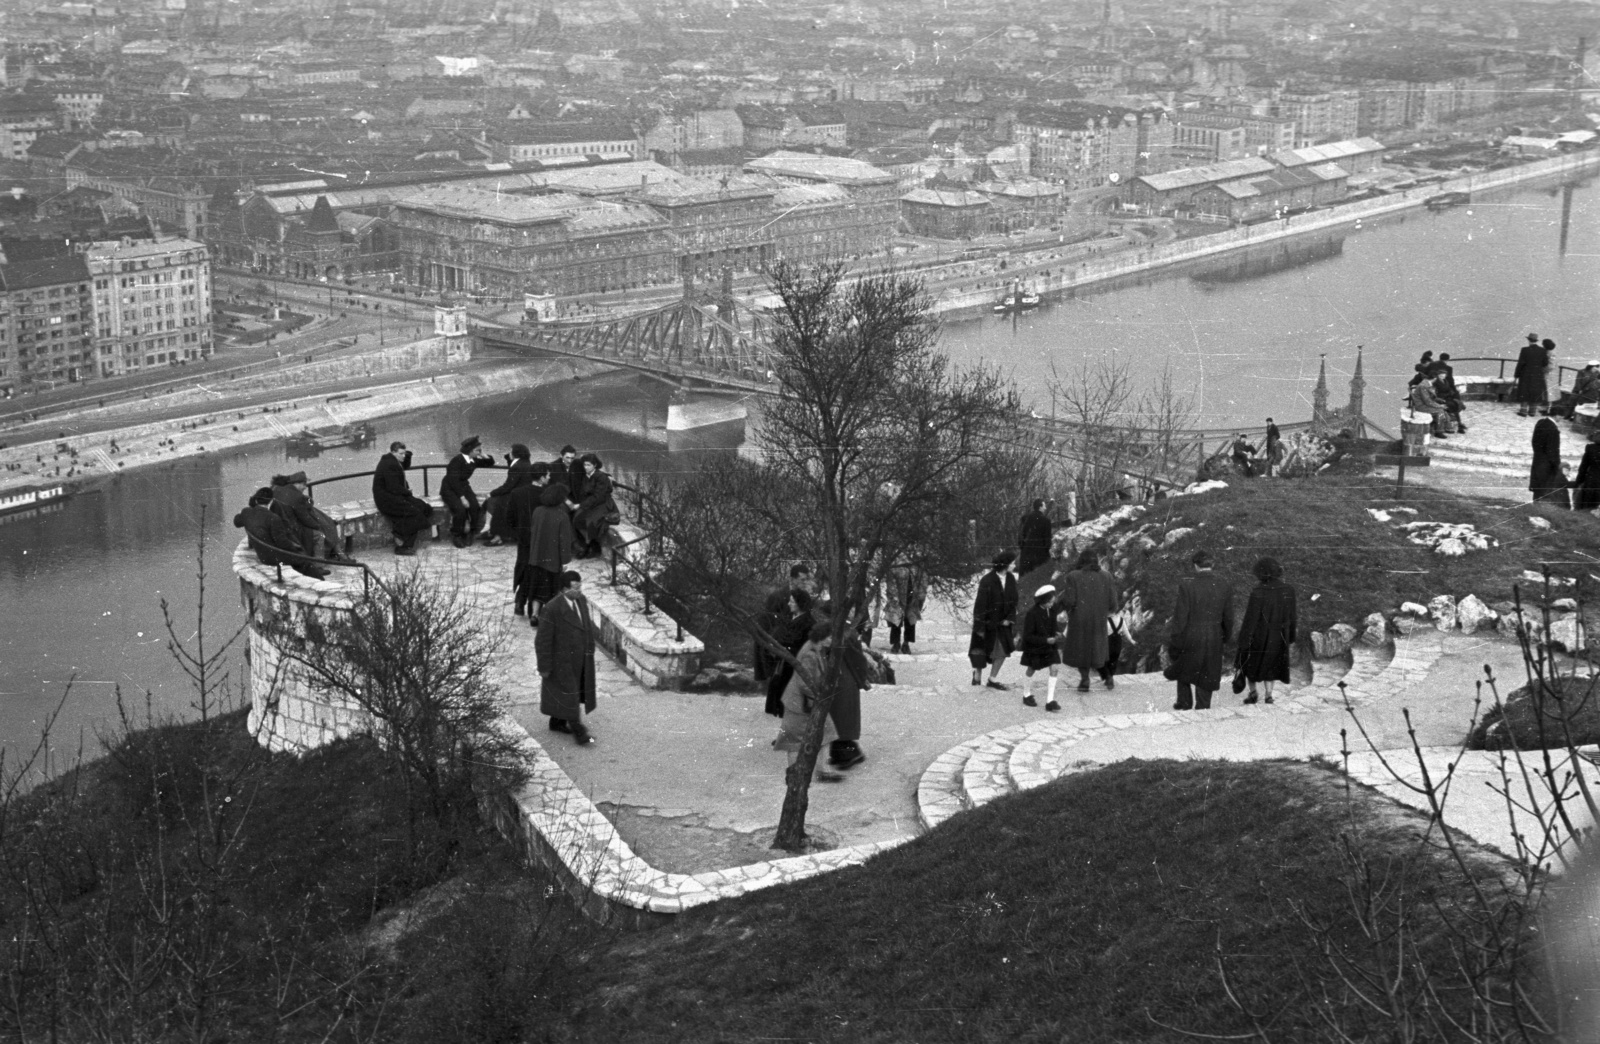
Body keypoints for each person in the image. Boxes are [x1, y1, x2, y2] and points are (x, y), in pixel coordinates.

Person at [535, 570, 598, 745]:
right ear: (564, 589)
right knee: (570, 695)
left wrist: (589, 647)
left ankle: (557, 721)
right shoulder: (552, 608)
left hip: (579, 659)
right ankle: (579, 731)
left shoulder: (581, 601)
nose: (579, 591)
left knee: (568, 692)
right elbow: (542, 640)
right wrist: (544, 666)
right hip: (561, 662)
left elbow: (586, 625)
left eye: (580, 586)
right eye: (575, 588)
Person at [773, 620, 840, 782]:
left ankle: (822, 770)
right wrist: (819, 696)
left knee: (827, 731)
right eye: (830, 637)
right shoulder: (810, 653)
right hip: (799, 704)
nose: (832, 641)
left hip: (804, 702)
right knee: (794, 740)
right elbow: (804, 682)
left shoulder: (815, 647)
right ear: (823, 637)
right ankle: (795, 776)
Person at [1168, 549, 1234, 711]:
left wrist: (1176, 640)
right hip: (1214, 636)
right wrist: (1225, 636)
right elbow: (1229, 616)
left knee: (1183, 666)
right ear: (1212, 564)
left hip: (1191, 635)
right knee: (1208, 671)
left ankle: (1184, 703)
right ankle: (1203, 708)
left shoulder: (1187, 585)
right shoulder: (1224, 584)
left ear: (1195, 566)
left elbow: (1180, 617)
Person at [1234, 556, 1296, 705]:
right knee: (1272, 666)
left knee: (1250, 665)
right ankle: (1269, 695)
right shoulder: (1289, 590)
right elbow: (1292, 616)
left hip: (1259, 637)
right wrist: (1291, 636)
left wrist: (1243, 640)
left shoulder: (1258, 592)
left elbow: (1251, 619)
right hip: (1279, 636)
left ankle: (1253, 693)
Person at [1058, 547, 1120, 693]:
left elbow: (1069, 601)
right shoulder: (1107, 576)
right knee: (1098, 649)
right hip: (1099, 620)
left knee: (1082, 650)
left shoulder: (1073, 576)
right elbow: (1113, 604)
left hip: (1079, 620)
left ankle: (1085, 679)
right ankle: (1108, 677)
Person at [233, 487, 330, 579]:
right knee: (303, 560)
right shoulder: (273, 518)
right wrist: (296, 549)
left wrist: (244, 514)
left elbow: (237, 522)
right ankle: (320, 581)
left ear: (257, 501)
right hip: (271, 557)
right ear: (271, 501)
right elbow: (282, 543)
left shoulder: (246, 512)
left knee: (299, 558)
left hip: (262, 553)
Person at [519, 479, 576, 623]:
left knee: (536, 588)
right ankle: (549, 618)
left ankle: (535, 614)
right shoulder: (562, 516)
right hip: (553, 561)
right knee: (551, 590)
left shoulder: (538, 511)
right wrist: (565, 561)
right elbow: (564, 541)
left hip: (536, 558)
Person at [270, 471, 350, 562]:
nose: (305, 487)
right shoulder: (298, 497)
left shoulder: (277, 490)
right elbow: (306, 519)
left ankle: (339, 554)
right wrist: (318, 526)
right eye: (304, 484)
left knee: (323, 523)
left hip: (280, 526)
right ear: (297, 484)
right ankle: (321, 563)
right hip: (293, 530)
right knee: (322, 532)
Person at [372, 441, 433, 556]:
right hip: (386, 499)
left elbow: (404, 465)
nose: (403, 456)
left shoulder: (394, 461)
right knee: (414, 513)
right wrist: (407, 492)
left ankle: (400, 531)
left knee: (424, 507)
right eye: (401, 454)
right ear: (393, 452)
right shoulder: (388, 464)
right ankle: (403, 545)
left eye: (404, 454)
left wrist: (407, 454)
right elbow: (392, 487)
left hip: (394, 495)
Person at [969, 550, 1018, 690]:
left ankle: (992, 679)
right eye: (1012, 563)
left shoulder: (1011, 579)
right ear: (1005, 564)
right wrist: (980, 626)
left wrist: (1010, 618)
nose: (1014, 565)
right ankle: (977, 674)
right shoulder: (987, 581)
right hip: (987, 623)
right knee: (980, 651)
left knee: (1002, 650)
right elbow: (980, 605)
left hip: (1003, 624)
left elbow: (1014, 600)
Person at [765, 589, 816, 717]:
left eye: (792, 601)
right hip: (784, 659)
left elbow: (802, 644)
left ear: (800, 603)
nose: (789, 603)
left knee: (786, 685)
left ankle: (784, 710)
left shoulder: (808, 623)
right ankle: (777, 708)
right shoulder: (791, 618)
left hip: (794, 661)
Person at [826, 632, 871, 771]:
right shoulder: (843, 630)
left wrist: (862, 678)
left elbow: (857, 658)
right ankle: (845, 754)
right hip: (837, 679)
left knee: (842, 718)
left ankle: (848, 755)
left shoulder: (846, 633)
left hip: (844, 680)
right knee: (838, 718)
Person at [440, 435, 495, 548]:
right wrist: (462, 498)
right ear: (469, 451)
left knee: (474, 507)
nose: (479, 452)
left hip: (464, 486)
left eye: (480, 450)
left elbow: (490, 462)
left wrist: (484, 455)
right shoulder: (457, 461)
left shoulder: (472, 459)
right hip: (449, 488)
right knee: (460, 510)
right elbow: (453, 481)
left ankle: (471, 533)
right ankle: (457, 535)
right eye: (477, 450)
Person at [1018, 583, 1062, 711]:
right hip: (1035, 647)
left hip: (1050, 646)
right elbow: (1027, 636)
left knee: (1054, 668)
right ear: (1042, 601)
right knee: (1031, 669)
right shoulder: (1032, 614)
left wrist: (1057, 632)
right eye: (1049, 602)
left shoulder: (1052, 610)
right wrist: (1046, 640)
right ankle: (1026, 694)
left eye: (1053, 602)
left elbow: (1053, 625)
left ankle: (1050, 701)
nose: (1052, 604)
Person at [483, 443, 534, 546]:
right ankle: (491, 530)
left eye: (511, 451)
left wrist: (491, 493)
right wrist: (509, 456)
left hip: (517, 496)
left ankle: (495, 534)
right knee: (496, 501)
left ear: (515, 454)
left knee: (494, 502)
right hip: (524, 494)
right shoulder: (525, 462)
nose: (509, 453)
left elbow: (508, 486)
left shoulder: (517, 467)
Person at [571, 453, 616, 558]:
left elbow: (598, 497)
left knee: (591, 521)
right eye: (585, 465)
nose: (586, 467)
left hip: (603, 504)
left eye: (588, 465)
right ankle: (590, 543)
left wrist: (581, 505)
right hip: (590, 503)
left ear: (595, 465)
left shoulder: (600, 477)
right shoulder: (586, 475)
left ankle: (590, 546)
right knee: (576, 520)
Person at [883, 561, 927, 655]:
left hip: (912, 599)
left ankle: (906, 643)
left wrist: (920, 598)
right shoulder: (895, 566)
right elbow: (891, 584)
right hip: (898, 598)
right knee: (896, 621)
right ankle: (896, 643)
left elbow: (922, 584)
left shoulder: (918, 569)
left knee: (910, 622)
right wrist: (894, 598)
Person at [1529, 417, 1569, 507]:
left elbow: (1534, 442)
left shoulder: (1540, 422)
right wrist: (1558, 468)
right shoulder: (1553, 429)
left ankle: (1535, 509)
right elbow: (1553, 453)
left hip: (1537, 462)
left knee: (1537, 491)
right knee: (1545, 494)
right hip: (1547, 467)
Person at [1514, 333, 1549, 417]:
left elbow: (1520, 363)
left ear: (1529, 340)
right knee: (1535, 392)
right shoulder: (1542, 350)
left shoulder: (1524, 350)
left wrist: (1516, 374)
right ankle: (1532, 411)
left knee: (1524, 392)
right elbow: (1545, 363)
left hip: (1525, 374)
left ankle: (1523, 411)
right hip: (1537, 375)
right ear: (1536, 341)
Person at [1016, 498, 1053, 576]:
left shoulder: (1026, 518)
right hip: (1040, 553)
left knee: (1025, 576)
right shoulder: (1046, 521)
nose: (1045, 508)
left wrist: (1022, 546)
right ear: (1040, 507)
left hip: (1026, 552)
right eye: (1044, 506)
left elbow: (1022, 533)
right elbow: (1047, 540)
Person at [1571, 431, 1600, 512]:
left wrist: (1578, 483)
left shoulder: (1590, 449)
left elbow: (1583, 468)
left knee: (1587, 508)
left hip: (1591, 482)